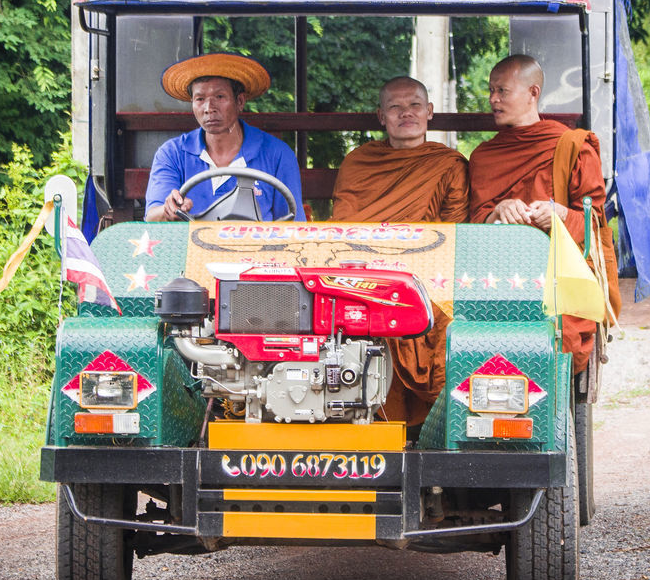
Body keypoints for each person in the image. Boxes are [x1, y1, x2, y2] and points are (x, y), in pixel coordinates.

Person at [468, 54, 621, 374]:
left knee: (555, 341)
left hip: (557, 280)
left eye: (502, 91)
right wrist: (498, 211)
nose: (493, 99)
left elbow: (594, 226)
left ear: (533, 93)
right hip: (497, 280)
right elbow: (473, 224)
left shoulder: (572, 146)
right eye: (491, 91)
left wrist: (561, 216)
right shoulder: (484, 155)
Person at [330, 76, 468, 428]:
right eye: (395, 107)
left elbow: (454, 233)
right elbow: (343, 230)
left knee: (445, 325)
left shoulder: (448, 164)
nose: (406, 113)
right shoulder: (359, 163)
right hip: (365, 271)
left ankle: (432, 428)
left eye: (415, 105)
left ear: (430, 112)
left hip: (426, 274)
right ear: (381, 116)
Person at [144, 53, 304, 222]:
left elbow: (293, 226)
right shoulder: (172, 153)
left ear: (240, 102)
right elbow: (152, 216)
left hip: (258, 248)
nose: (209, 108)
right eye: (200, 99)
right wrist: (168, 210)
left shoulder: (277, 154)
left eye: (219, 97)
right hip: (190, 247)